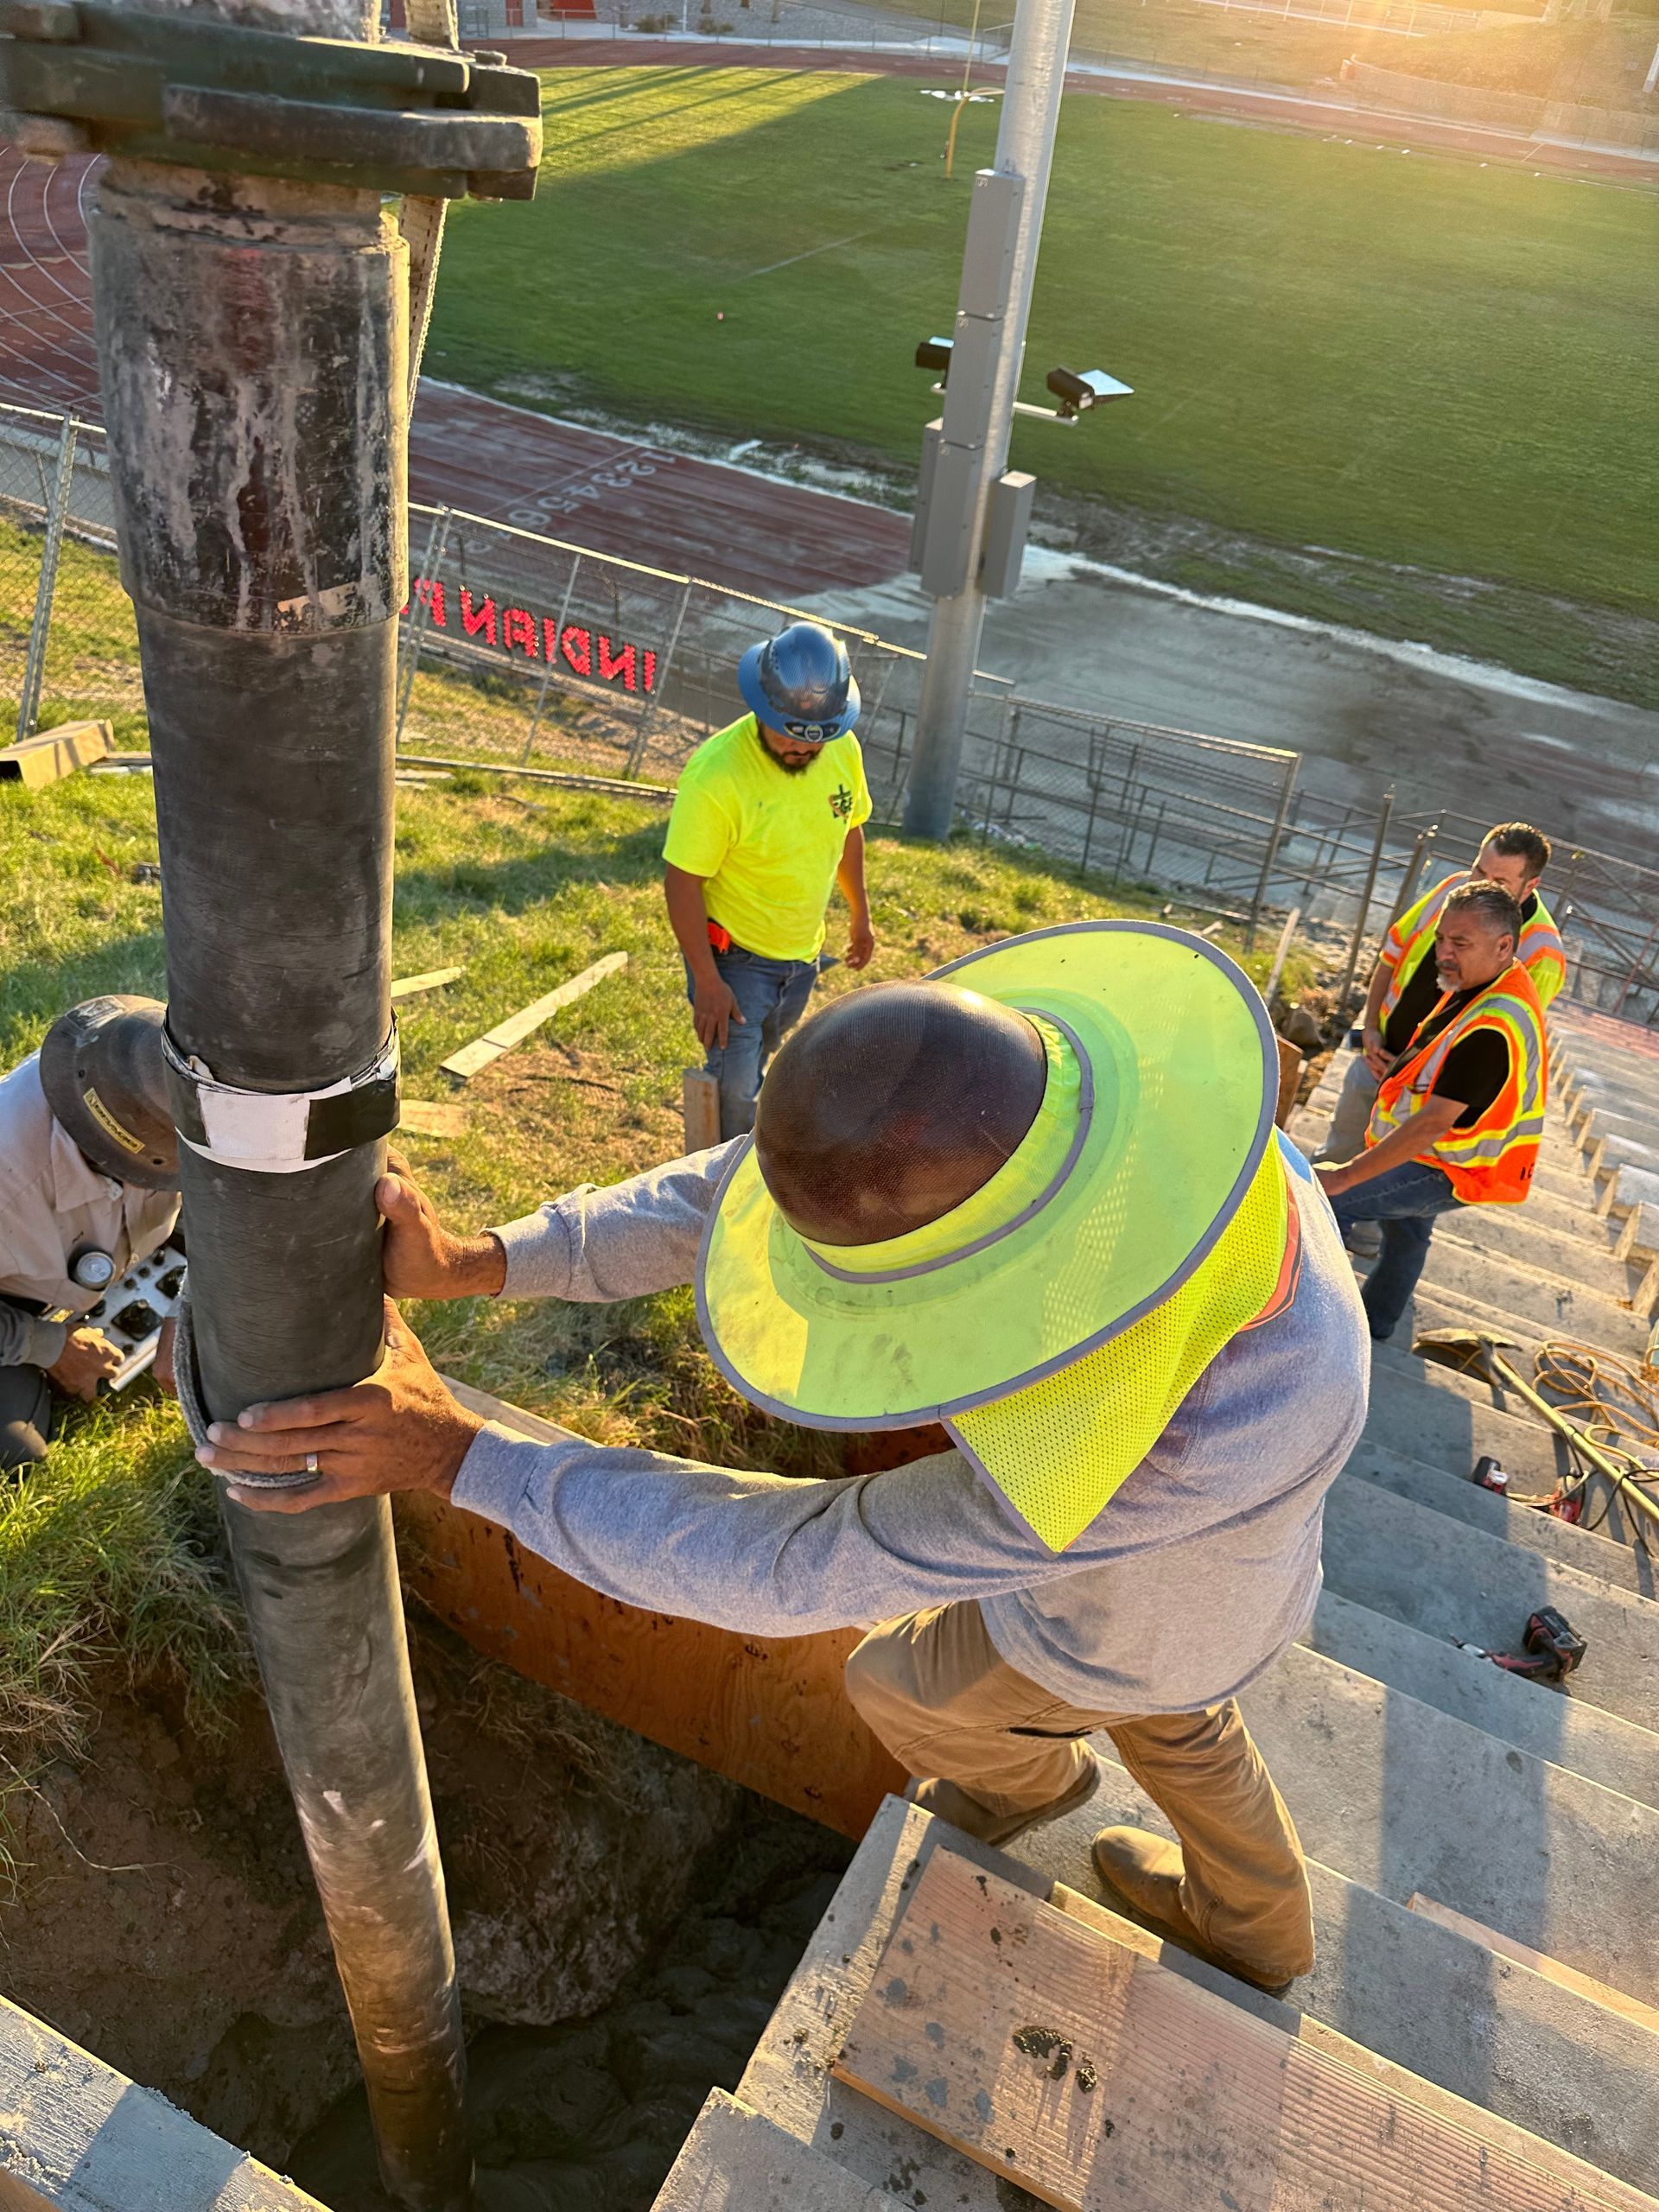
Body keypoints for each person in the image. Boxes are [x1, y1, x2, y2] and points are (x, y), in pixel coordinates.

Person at [199, 922, 1370, 2000]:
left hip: (1146, 1614)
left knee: (972, 1692)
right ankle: (1259, 1929)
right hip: (1232, 1579)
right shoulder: (1138, 1132)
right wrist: (482, 1261)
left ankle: (1045, 1789)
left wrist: (463, 1458)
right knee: (1190, 1724)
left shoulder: (1171, 1440)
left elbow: (796, 1563)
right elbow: (737, 1191)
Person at [663, 620, 875, 1141]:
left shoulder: (842, 750)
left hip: (801, 955)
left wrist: (860, 915)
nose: (805, 750)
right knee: (734, 1088)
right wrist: (708, 981)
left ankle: (743, 1152)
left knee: (765, 1059)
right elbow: (682, 882)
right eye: (791, 737)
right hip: (734, 962)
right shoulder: (716, 776)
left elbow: (849, 832)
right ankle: (721, 1182)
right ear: (761, 708)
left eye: (819, 740)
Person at [1316, 881, 1545, 1344]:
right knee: (1408, 1233)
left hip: (1451, 1166)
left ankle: (1316, 1333)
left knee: (1329, 1204)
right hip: (1450, 1156)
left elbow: (1433, 1124)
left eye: (1460, 943)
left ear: (1504, 946)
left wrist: (1344, 1177)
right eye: (1442, 938)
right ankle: (1376, 1323)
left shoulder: (1493, 1025)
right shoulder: (1486, 980)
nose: (1443, 952)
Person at [0, 996, 180, 1471]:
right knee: (16, 1449)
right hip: (10, 1292)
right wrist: (49, 1346)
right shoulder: (7, 1179)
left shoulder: (151, 1060)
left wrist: (189, 1311)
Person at [1321, 821, 1563, 1164]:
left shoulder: (1541, 954)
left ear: (1530, 886)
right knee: (1332, 1158)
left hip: (1420, 1104)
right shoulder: (1451, 889)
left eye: (1499, 882)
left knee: (1371, 1198)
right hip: (1375, 1060)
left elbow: (1494, 1047)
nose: (1479, 885)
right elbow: (1392, 955)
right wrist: (1371, 1028)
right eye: (1478, 870)